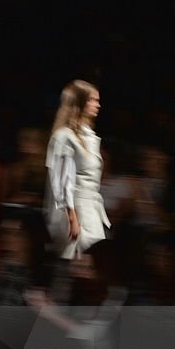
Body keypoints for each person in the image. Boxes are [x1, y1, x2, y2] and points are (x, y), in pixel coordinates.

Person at [45, 80, 110, 260]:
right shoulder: (64, 137)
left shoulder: (89, 136)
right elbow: (61, 180)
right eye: (93, 100)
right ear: (79, 103)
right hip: (74, 211)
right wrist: (72, 219)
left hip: (91, 209)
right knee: (77, 262)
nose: (98, 105)